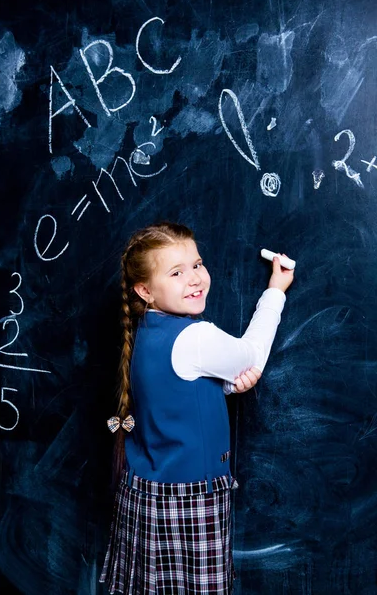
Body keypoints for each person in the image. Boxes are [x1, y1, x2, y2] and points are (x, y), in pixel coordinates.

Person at [99, 221, 294, 595]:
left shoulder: (147, 330)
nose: (195, 278)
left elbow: (177, 390)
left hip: (146, 493)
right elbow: (252, 354)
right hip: (188, 502)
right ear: (145, 290)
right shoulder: (196, 337)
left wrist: (224, 383)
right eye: (176, 272)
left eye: (197, 264)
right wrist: (275, 291)